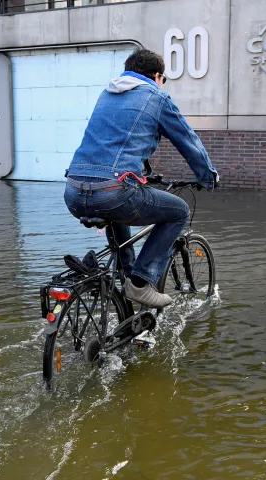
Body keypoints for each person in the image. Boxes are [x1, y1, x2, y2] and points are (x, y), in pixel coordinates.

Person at [63, 48, 218, 309]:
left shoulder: (107, 95)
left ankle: (126, 275)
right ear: (157, 76)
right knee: (178, 211)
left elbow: (116, 142)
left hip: (74, 192)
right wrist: (207, 176)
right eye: (163, 79)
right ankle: (139, 284)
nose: (162, 84)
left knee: (116, 209)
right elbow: (188, 141)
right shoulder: (156, 97)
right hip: (113, 190)